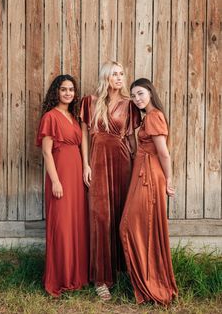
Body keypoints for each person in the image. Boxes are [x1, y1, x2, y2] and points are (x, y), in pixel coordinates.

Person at [80, 60, 141, 300]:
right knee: (100, 217)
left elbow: (133, 139)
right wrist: (85, 163)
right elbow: (85, 133)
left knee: (120, 214)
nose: (119, 77)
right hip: (97, 161)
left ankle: (123, 270)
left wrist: (138, 166)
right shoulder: (90, 102)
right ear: (106, 76)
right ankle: (101, 278)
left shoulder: (129, 104)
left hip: (123, 162)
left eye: (122, 74)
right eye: (115, 74)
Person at [120, 78, 178, 306]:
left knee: (130, 225)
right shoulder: (147, 118)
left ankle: (151, 283)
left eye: (141, 93)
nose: (137, 99)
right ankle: (147, 280)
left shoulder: (154, 117)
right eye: (134, 95)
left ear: (151, 93)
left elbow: (163, 153)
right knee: (142, 226)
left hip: (150, 175)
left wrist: (169, 179)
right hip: (142, 171)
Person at [36, 74, 89, 297]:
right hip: (60, 176)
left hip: (76, 175)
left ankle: (76, 275)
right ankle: (60, 276)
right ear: (56, 92)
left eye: (71, 89)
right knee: (62, 225)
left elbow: (82, 143)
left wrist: (86, 166)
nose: (68, 93)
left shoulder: (73, 117)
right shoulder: (50, 116)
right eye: (63, 89)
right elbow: (46, 152)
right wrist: (56, 181)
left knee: (76, 224)